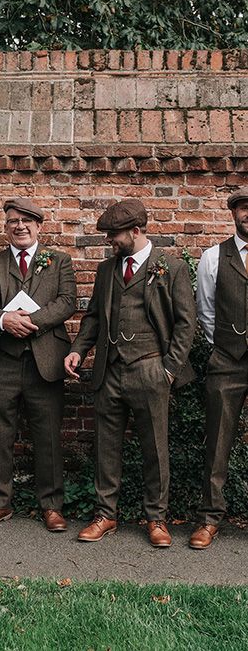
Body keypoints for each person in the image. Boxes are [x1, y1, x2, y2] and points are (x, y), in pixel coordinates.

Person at [65, 199, 196, 548]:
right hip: (110, 372)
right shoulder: (107, 270)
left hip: (151, 370)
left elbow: (186, 323)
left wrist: (169, 369)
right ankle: (105, 515)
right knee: (105, 447)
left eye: (114, 234)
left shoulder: (171, 266)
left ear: (135, 231)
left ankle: (157, 518)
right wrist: (79, 349)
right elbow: (93, 316)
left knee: (155, 448)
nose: (110, 240)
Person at [0, 198, 76, 532]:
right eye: (14, 221)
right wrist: (3, 320)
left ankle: (51, 505)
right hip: (1, 360)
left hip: (44, 361)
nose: (21, 226)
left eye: (27, 220)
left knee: (47, 435)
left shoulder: (59, 261)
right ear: (6, 227)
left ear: (39, 226)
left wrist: (31, 320)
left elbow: (67, 302)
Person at [191, 187, 248, 549]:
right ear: (234, 214)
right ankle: (210, 518)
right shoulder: (213, 257)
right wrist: (225, 345)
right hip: (227, 360)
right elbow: (205, 309)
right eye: (244, 208)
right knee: (218, 443)